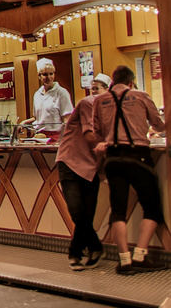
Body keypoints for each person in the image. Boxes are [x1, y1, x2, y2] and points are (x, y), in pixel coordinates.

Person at [93, 65, 167, 274]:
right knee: (152, 208)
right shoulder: (141, 95)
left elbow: (96, 131)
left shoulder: (100, 100)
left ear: (112, 82)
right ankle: (140, 255)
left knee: (118, 209)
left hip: (113, 158)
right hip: (138, 157)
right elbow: (159, 126)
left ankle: (124, 261)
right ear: (131, 81)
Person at [57, 77, 104, 271]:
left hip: (92, 165)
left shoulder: (109, 110)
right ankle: (95, 246)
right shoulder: (88, 103)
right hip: (69, 161)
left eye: (97, 88)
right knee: (77, 210)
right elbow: (90, 134)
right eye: (92, 88)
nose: (93, 92)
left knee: (87, 213)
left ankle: (75, 252)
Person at [30, 59, 74, 135]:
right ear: (39, 76)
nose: (49, 77)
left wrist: (63, 138)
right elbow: (37, 118)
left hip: (56, 135)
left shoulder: (61, 93)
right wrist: (23, 123)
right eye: (45, 74)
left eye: (51, 74)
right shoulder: (37, 94)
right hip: (40, 135)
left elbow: (67, 119)